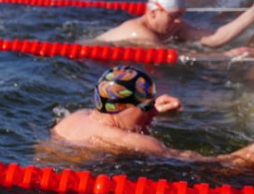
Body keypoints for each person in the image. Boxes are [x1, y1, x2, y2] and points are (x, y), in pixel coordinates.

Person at [51, 65, 254, 165]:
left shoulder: (79, 116)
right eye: (147, 108)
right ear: (122, 107)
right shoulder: (130, 141)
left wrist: (153, 109)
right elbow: (210, 164)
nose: (152, 114)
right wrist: (245, 155)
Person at [95, 0, 254, 47]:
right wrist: (225, 56)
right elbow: (176, 56)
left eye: (181, 15)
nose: (179, 20)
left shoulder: (174, 25)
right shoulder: (139, 32)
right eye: (173, 16)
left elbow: (214, 38)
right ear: (153, 13)